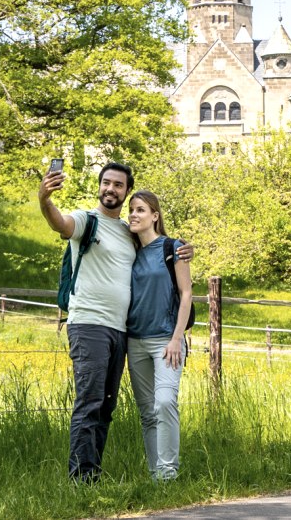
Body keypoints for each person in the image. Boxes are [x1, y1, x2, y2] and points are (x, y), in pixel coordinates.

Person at [38, 162, 190, 482]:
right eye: (106, 182)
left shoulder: (127, 231)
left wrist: (180, 249)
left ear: (125, 190)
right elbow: (60, 224)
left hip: (121, 330)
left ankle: (94, 472)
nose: (111, 189)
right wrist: (45, 200)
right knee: (90, 400)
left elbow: (156, 249)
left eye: (118, 185)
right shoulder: (85, 220)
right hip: (89, 324)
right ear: (100, 186)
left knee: (106, 405)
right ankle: (82, 477)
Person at [123, 190, 194, 481]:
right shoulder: (128, 251)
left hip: (167, 340)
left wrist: (177, 338)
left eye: (141, 210)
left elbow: (187, 293)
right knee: (147, 413)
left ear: (155, 215)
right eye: (132, 210)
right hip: (135, 342)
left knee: (164, 402)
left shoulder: (173, 248)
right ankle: (155, 476)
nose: (134, 215)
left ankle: (168, 474)